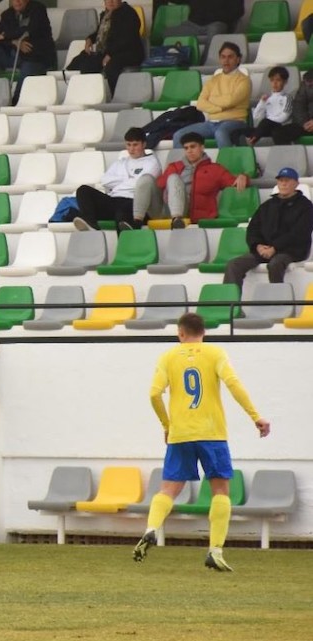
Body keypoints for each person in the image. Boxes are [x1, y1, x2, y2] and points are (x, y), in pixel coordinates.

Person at [135, 312, 269, 572]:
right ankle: (215, 550)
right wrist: (256, 417)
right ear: (204, 332)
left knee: (168, 490)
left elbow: (153, 394)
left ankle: (151, 528)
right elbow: (233, 384)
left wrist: (167, 425)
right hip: (212, 434)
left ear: (180, 333)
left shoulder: (168, 357)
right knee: (220, 491)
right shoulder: (215, 353)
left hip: (180, 434)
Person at [222, 168, 313, 288]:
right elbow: (253, 229)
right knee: (234, 265)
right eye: (281, 180)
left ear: (296, 183)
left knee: (275, 264)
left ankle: (277, 302)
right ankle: (230, 302)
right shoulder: (267, 205)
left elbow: (299, 234)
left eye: (287, 180)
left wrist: (275, 248)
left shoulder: (305, 206)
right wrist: (257, 246)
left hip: (291, 251)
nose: (283, 183)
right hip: (264, 250)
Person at [73, 127, 162, 232]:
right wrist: (128, 178)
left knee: (122, 212)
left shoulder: (152, 163)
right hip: (114, 200)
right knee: (83, 190)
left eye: (135, 145)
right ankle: (91, 225)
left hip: (135, 202)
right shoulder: (120, 162)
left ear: (144, 144)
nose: (131, 149)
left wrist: (118, 183)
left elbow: (141, 185)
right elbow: (105, 181)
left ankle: (124, 244)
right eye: (128, 145)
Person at [155, 131, 249, 228]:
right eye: (186, 148)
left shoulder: (215, 169)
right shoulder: (174, 167)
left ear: (202, 147)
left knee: (173, 177)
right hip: (170, 209)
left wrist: (244, 176)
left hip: (199, 216)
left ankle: (177, 220)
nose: (189, 151)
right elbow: (159, 185)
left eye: (193, 147)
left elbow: (233, 181)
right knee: (168, 178)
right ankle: (173, 219)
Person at [171, 42, 250, 149]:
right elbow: (200, 104)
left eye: (230, 57)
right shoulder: (213, 80)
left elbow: (230, 101)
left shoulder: (244, 80)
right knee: (179, 135)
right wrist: (219, 107)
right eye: (223, 57)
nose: (226, 60)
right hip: (211, 123)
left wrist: (211, 101)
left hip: (235, 121)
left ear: (238, 59)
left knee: (220, 133)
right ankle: (183, 165)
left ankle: (226, 164)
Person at [66, 0, 143, 92]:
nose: (110, 1)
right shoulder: (106, 14)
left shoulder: (129, 14)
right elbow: (99, 32)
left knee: (111, 67)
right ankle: (87, 92)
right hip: (108, 52)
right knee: (82, 60)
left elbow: (126, 39)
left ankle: (115, 95)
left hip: (127, 53)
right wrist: (90, 39)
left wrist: (110, 54)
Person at [0, 0, 55, 91]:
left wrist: (5, 36)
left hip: (35, 57)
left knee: (25, 81)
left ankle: (16, 101)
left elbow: (31, 29)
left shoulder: (38, 9)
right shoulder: (7, 14)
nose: (17, 1)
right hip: (14, 56)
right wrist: (14, 42)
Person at [245, 67, 296, 146]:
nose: (274, 83)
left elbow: (284, 117)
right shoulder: (267, 98)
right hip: (265, 127)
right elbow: (256, 116)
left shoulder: (287, 97)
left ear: (285, 81)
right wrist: (262, 102)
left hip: (281, 127)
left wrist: (268, 121)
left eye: (278, 80)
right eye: (272, 80)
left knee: (266, 122)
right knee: (237, 131)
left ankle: (253, 139)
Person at [161, 0, 243, 44]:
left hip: (217, 23)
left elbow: (239, 11)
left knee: (214, 32)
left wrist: (218, 17)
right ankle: (175, 61)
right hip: (194, 25)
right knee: (167, 33)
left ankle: (206, 61)